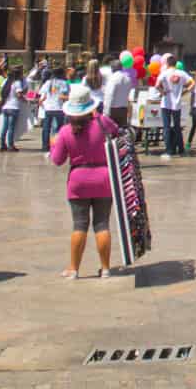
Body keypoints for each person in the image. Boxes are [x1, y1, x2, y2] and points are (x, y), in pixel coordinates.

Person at [50, 83, 121, 279]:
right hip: (104, 179)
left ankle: (73, 269)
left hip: (78, 182)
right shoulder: (103, 123)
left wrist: (53, 143)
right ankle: (106, 268)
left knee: (79, 225)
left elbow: (57, 160)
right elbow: (117, 133)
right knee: (102, 224)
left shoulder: (65, 132)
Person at [157, 55, 188, 158]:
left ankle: (169, 150)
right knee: (177, 126)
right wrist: (184, 92)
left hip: (166, 103)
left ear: (167, 64)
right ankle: (181, 149)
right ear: (175, 64)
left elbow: (157, 85)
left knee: (166, 127)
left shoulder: (164, 73)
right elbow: (192, 83)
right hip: (177, 103)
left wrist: (163, 92)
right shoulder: (182, 73)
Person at [39, 66, 69, 153]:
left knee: (46, 128)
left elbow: (43, 96)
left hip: (48, 108)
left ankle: (45, 146)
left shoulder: (48, 82)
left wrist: (41, 102)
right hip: (59, 108)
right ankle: (56, 145)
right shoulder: (64, 83)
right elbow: (62, 96)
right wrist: (70, 98)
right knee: (58, 129)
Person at [0, 66, 26, 152]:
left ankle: (2, 144)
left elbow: (1, 91)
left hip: (5, 107)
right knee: (11, 128)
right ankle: (10, 145)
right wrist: (25, 100)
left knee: (4, 127)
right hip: (14, 107)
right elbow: (19, 95)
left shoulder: (6, 81)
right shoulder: (17, 83)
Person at [104, 55, 134, 128]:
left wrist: (106, 112)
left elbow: (109, 95)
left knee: (111, 131)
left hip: (113, 108)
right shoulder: (128, 79)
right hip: (123, 108)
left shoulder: (112, 79)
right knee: (121, 131)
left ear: (112, 68)